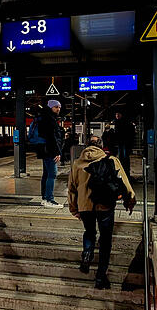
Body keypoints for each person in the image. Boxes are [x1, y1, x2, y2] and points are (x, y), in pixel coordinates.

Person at [68, 135, 136, 289]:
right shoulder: (111, 160)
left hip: (85, 207)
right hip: (105, 205)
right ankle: (100, 278)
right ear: (101, 145)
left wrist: (74, 209)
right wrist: (130, 200)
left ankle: (87, 253)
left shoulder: (77, 164)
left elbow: (71, 188)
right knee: (105, 241)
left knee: (89, 232)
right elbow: (124, 181)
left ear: (87, 146)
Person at [36, 100, 64, 206]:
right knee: (52, 174)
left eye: (59, 107)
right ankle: (49, 200)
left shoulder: (44, 116)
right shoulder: (49, 119)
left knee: (46, 174)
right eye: (56, 107)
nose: (58, 109)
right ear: (51, 107)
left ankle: (44, 198)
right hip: (49, 151)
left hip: (44, 150)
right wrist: (57, 152)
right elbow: (52, 138)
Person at [113, 112, 135, 180]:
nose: (116, 116)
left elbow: (117, 133)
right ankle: (125, 172)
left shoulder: (119, 123)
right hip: (125, 143)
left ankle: (123, 172)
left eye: (117, 115)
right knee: (124, 158)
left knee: (122, 158)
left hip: (122, 142)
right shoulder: (127, 123)